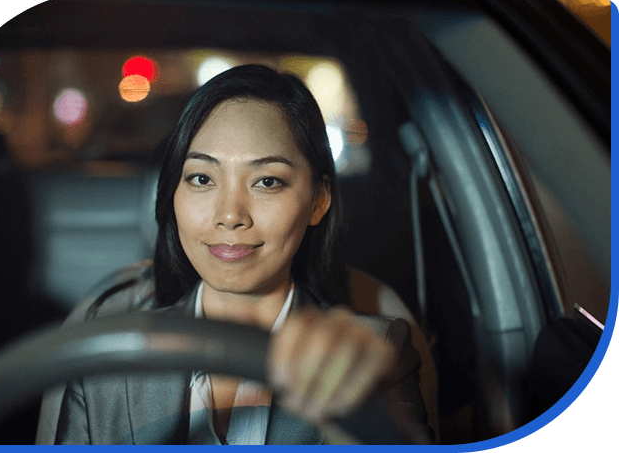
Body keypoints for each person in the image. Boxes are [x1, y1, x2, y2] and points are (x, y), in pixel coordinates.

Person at [53, 64, 433, 445]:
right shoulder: (108, 358)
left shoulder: (372, 358)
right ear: (172, 193)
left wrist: (364, 409)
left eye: (267, 181)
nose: (230, 215)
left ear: (319, 200)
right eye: (202, 179)